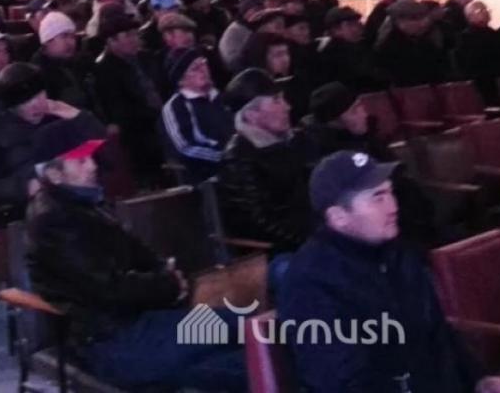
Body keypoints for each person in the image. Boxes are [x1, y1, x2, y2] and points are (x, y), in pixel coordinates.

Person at [279, 151, 500, 393]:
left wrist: (479, 379)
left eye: (390, 192)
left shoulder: (399, 254)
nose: (393, 207)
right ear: (339, 217)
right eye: (378, 198)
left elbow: (438, 333)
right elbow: (341, 382)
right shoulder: (310, 282)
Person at [26, 137, 246, 392]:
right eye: (81, 161)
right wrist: (169, 285)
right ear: (54, 175)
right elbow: (108, 288)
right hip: (113, 342)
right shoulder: (55, 220)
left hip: (137, 322)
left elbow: (138, 253)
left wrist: (165, 270)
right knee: (240, 338)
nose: (93, 166)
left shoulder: (81, 204)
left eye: (91, 158)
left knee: (241, 334)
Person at [0, 62, 104, 223]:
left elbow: (95, 145)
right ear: (11, 105)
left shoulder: (55, 117)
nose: (38, 105)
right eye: (27, 101)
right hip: (22, 215)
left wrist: (74, 114)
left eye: (40, 95)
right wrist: (26, 187)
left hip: (74, 204)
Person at [217, 69, 312, 253]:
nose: (287, 106)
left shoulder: (295, 141)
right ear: (252, 114)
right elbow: (259, 224)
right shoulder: (238, 157)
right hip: (275, 253)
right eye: (276, 100)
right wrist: (308, 243)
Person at [92, 7, 164, 178]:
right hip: (140, 132)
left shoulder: (146, 57)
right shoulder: (105, 70)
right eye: (128, 36)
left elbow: (162, 87)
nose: (135, 39)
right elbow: (121, 112)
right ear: (111, 41)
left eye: (135, 34)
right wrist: (156, 115)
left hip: (162, 118)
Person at [161, 48, 233, 184]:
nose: (203, 70)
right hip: (205, 177)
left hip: (236, 165)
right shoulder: (176, 106)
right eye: (195, 68)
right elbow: (186, 147)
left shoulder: (219, 97)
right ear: (181, 80)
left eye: (203, 63)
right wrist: (226, 155)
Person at [375, 0, 450, 86]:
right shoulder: (389, 47)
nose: (423, 23)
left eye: (423, 17)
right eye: (415, 19)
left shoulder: (426, 42)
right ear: (400, 22)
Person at [32, 11, 90, 109]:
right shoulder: (37, 73)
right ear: (47, 41)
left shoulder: (79, 62)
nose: (70, 42)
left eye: (72, 37)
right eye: (64, 36)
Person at [453, 1, 500, 105]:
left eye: (486, 9)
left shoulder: (493, 34)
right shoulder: (465, 37)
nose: (486, 12)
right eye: (480, 10)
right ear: (469, 16)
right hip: (477, 83)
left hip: (495, 81)